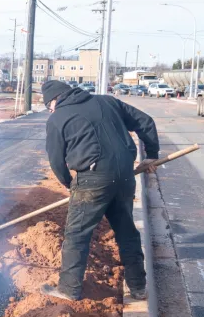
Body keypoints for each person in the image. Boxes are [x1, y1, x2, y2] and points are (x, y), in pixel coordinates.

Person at [40, 80, 160, 302]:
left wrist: (68, 183)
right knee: (126, 230)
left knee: (77, 234)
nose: (51, 110)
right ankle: (138, 287)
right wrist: (152, 154)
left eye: (49, 106)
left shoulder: (57, 118)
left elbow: (56, 160)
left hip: (92, 179)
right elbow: (145, 121)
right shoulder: (108, 101)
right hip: (124, 175)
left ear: (55, 100)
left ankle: (68, 289)